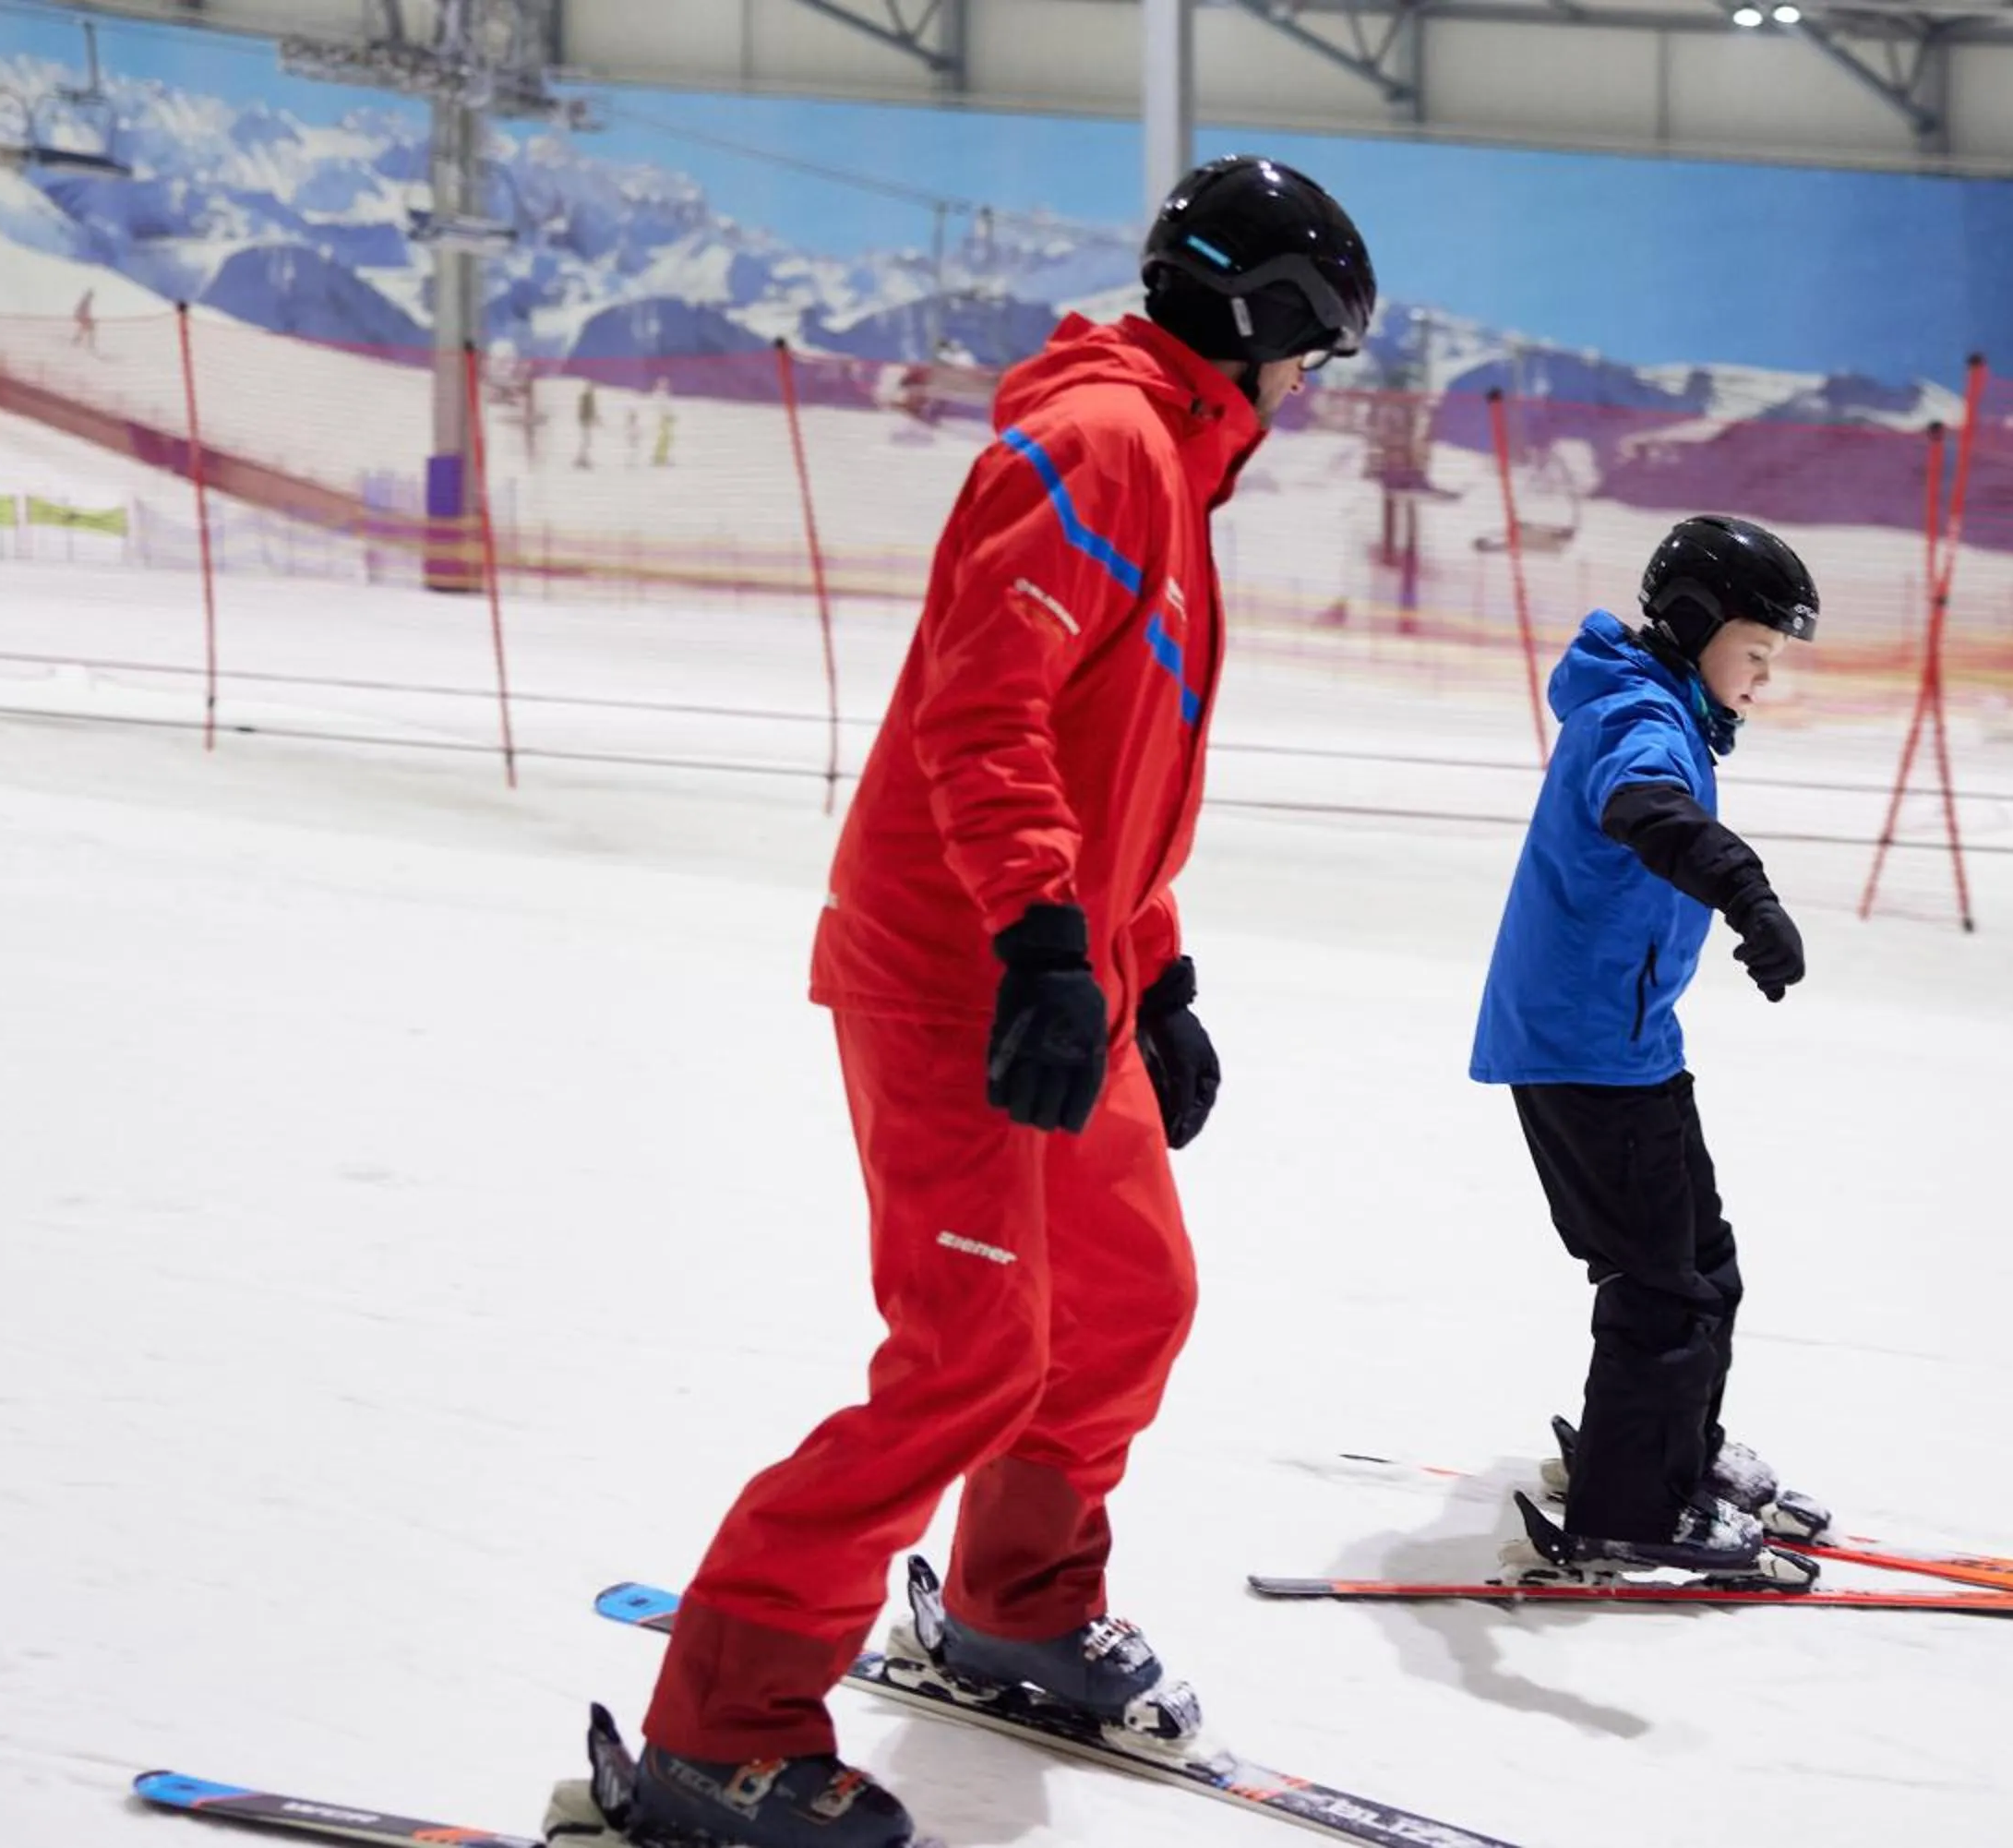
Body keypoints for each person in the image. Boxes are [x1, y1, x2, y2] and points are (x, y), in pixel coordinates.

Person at [602, 156, 1375, 1848]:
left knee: (1127, 1299)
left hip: (1060, 963)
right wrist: (1038, 938)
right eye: (1321, 351)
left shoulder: (1171, 464)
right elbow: (987, 716)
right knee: (968, 1359)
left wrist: (1148, 963)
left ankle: (1019, 1602)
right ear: (1269, 322)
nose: (1316, 390)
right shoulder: (1103, 445)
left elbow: (1117, 759)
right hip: (958, 963)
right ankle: (714, 1731)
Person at [1469, 515, 1830, 1579]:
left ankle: (1677, 1455)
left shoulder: (1660, 700)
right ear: (1691, 623)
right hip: (1585, 1048)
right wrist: (1746, 892)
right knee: (1660, 1284)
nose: (1764, 677)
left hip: (1619, 1043)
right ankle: (1633, 1507)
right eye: (1754, 651)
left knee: (1700, 1264)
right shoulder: (1640, 716)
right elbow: (1645, 809)